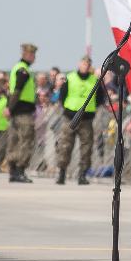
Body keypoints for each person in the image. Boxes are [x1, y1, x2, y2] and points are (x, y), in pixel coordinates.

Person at [55, 55, 103, 185]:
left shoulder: (95, 80)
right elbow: (62, 96)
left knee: (86, 147)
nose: (85, 66)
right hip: (70, 117)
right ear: (79, 64)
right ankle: (61, 174)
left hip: (86, 119)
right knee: (65, 146)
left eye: (88, 64)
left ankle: (82, 175)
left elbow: (99, 98)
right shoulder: (70, 78)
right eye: (83, 63)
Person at [6, 44, 38, 183]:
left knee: (15, 140)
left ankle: (13, 172)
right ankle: (20, 171)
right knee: (26, 140)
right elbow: (17, 91)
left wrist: (10, 108)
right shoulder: (23, 70)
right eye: (33, 54)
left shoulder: (17, 68)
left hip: (17, 111)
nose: (34, 57)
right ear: (27, 55)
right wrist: (9, 107)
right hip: (22, 111)